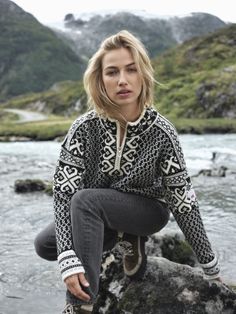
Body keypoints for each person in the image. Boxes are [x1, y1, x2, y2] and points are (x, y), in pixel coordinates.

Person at [34, 30, 221, 314]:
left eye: (131, 69)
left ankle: (81, 305)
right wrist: (69, 258)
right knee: (47, 244)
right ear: (100, 80)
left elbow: (184, 203)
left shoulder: (162, 133)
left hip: (148, 211)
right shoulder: (84, 129)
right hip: (101, 211)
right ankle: (125, 238)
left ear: (143, 75)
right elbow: (63, 193)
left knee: (85, 201)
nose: (122, 80)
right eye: (112, 72)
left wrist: (209, 265)